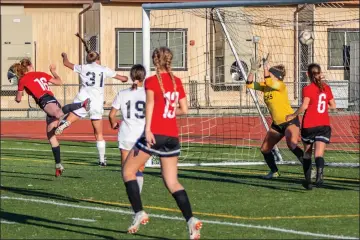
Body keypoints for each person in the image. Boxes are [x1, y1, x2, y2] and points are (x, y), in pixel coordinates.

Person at [121, 47, 202, 239]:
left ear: (155, 61)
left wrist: (148, 129)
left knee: (127, 171)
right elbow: (184, 109)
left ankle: (139, 212)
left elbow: (150, 104)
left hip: (154, 134)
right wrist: (169, 112)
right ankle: (191, 221)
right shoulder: (177, 81)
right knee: (172, 182)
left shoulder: (151, 81)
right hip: (172, 136)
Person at [56, 33, 128, 166]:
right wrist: (125, 78)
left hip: (83, 98)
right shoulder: (104, 69)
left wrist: (64, 55)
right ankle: (101, 160)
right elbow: (122, 78)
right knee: (98, 133)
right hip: (96, 102)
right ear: (98, 59)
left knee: (74, 115)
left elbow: (66, 63)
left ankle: (65, 123)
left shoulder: (83, 67)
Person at [11, 58, 90, 177]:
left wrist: (19, 89)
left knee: (58, 113)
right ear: (31, 65)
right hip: (51, 100)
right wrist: (53, 71)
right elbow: (59, 82)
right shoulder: (41, 74)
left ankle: (81, 105)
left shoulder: (22, 79)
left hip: (45, 101)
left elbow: (18, 99)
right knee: (51, 137)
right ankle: (58, 165)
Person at [246, 54, 305, 179]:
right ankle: (274, 171)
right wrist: (252, 70)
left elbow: (268, 80)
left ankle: (309, 169)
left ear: (276, 77)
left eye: (271, 73)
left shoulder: (280, 85)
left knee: (292, 144)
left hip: (290, 120)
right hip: (277, 124)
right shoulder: (266, 86)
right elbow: (249, 84)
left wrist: (266, 66)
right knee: (265, 149)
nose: (269, 75)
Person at [286, 63, 336, 190]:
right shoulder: (326, 88)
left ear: (308, 74)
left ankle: (308, 182)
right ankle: (319, 177)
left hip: (309, 125)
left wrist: (293, 115)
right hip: (324, 124)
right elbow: (333, 106)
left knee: (307, 154)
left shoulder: (307, 89)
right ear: (319, 74)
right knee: (319, 154)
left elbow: (304, 106)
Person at [109, 64, 148, 193]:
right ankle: (137, 200)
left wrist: (113, 123)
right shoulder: (149, 94)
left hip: (126, 135)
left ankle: (133, 197)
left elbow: (111, 115)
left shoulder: (122, 93)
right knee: (139, 169)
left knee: (126, 170)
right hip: (142, 135)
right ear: (144, 77)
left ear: (131, 77)